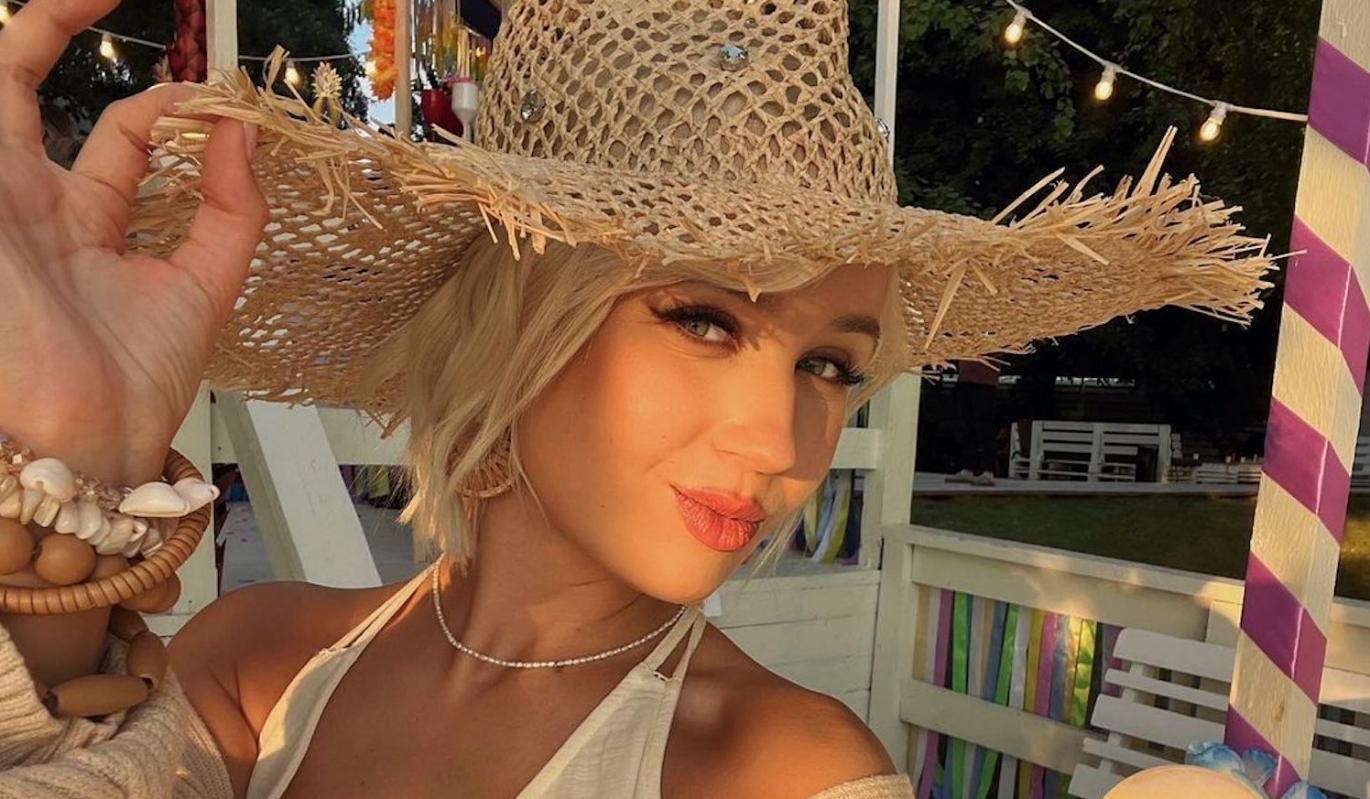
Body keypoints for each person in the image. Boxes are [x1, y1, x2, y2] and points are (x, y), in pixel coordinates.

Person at [0, 0, 1272, 795]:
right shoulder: (255, 664)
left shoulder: (778, 769)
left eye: (829, 365)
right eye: (705, 319)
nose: (776, 442)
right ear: (520, 318)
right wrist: (73, 441)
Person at [946, 360, 1001, 486]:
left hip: (985, 383)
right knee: (966, 426)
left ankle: (988, 470)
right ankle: (968, 467)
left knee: (984, 427)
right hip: (965, 380)